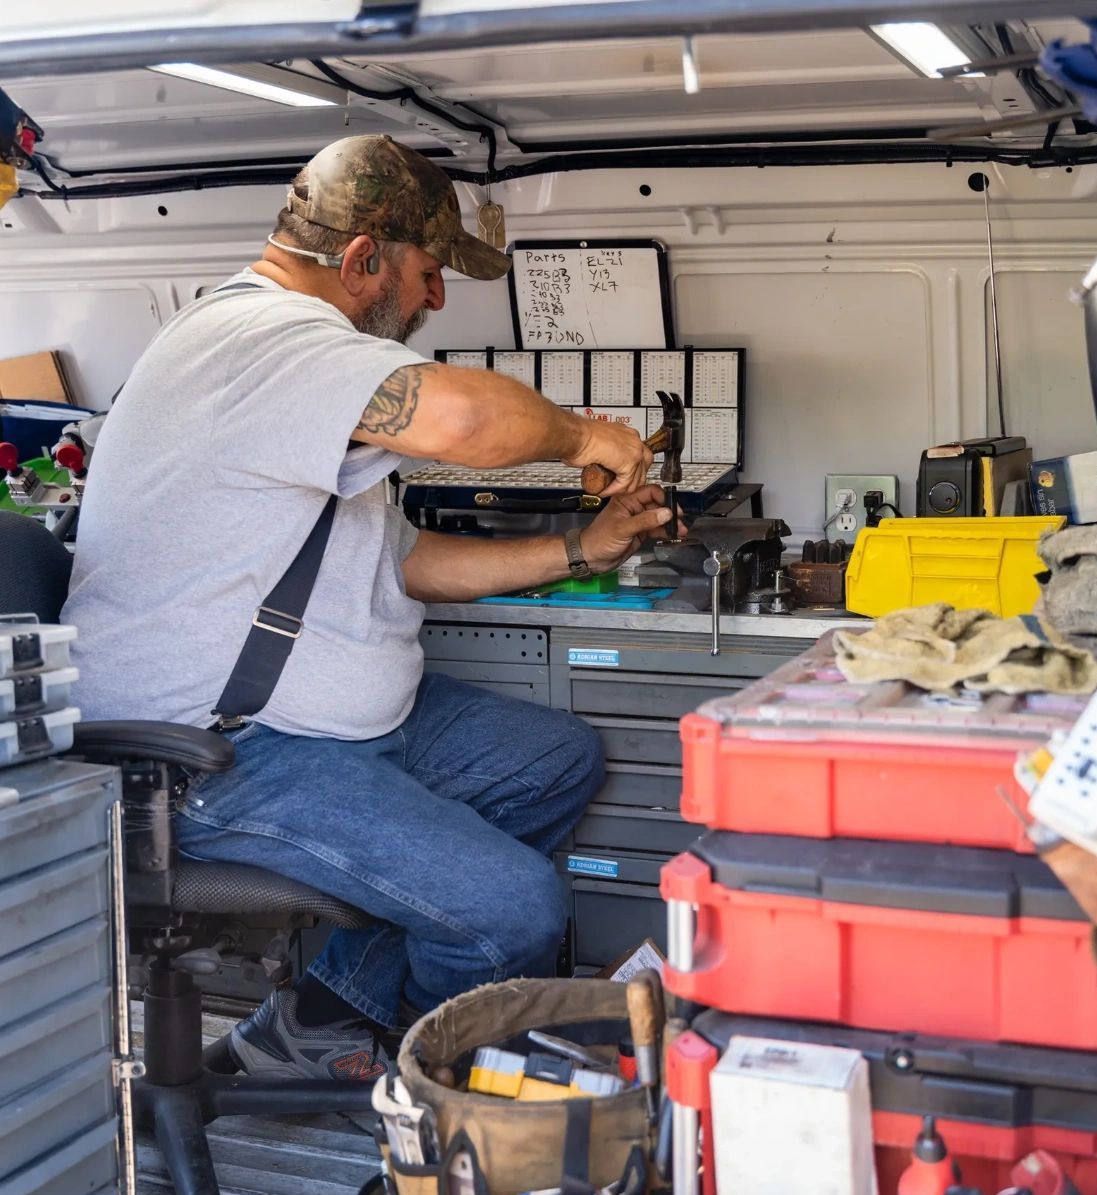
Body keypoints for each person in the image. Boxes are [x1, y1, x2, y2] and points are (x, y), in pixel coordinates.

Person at [63, 133, 677, 1081]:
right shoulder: (264, 340)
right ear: (360, 261)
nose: (437, 299)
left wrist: (575, 549)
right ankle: (420, 1103)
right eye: (429, 273)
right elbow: (466, 422)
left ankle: (327, 1013)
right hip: (217, 751)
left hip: (325, 728)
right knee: (511, 908)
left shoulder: (297, 366)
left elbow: (406, 562)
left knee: (553, 760)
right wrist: (581, 433)